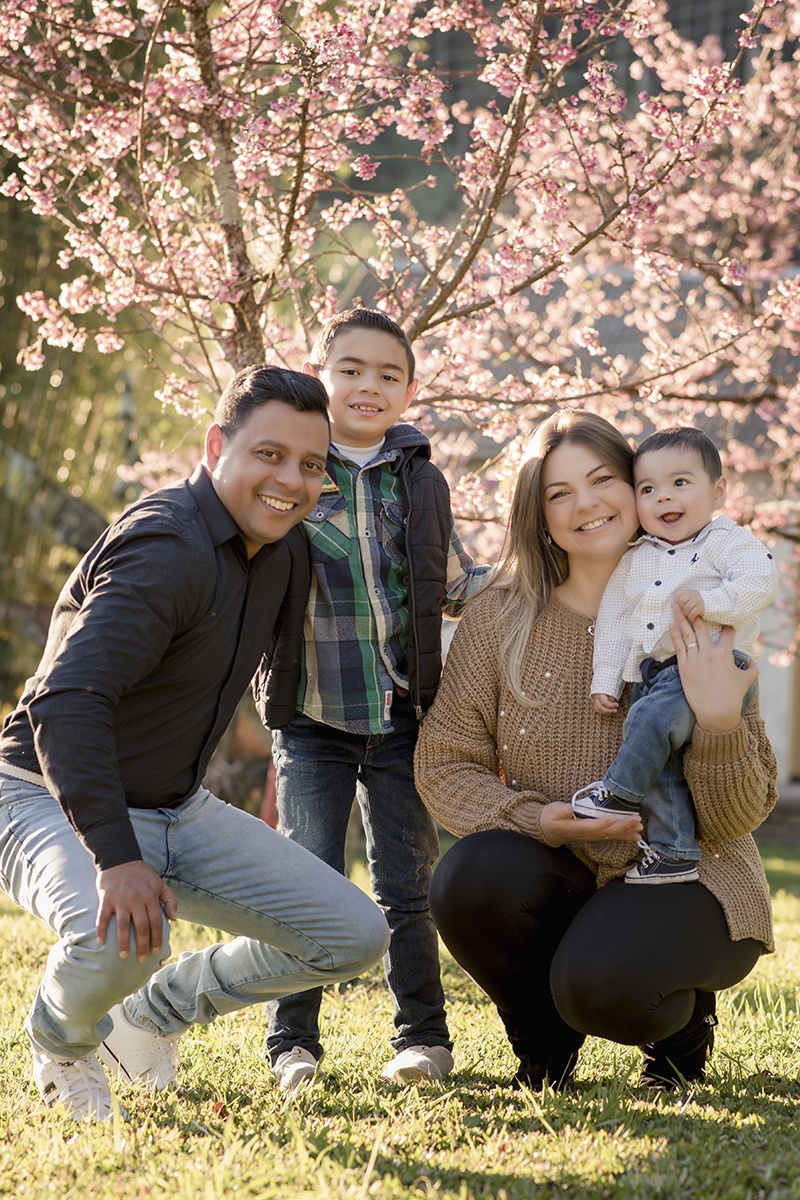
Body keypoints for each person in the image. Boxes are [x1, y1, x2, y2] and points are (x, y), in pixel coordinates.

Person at [0, 365, 390, 1122]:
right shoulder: (165, 549)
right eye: (269, 454)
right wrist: (118, 859)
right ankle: (63, 1043)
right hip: (43, 795)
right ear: (216, 447)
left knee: (352, 935)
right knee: (122, 937)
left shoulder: (282, 550)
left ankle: (148, 1015)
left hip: (178, 807)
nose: (292, 481)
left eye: (312, 464)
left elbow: (275, 675)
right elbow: (66, 701)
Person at [415, 409, 777, 1090]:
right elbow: (444, 763)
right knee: (467, 877)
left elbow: (737, 818)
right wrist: (539, 820)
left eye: (603, 480)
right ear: (538, 512)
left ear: (638, 487)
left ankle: (682, 1030)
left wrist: (720, 724)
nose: (585, 504)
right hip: (561, 868)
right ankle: (543, 1051)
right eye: (560, 492)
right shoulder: (499, 617)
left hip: (691, 876)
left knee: (601, 989)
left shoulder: (704, 616)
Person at [261, 309, 491, 1092]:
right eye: (351, 369)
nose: (369, 385)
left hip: (401, 718)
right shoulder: (295, 470)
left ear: (409, 390)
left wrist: (540, 576)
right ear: (321, 377)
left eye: (388, 374)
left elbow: (454, 584)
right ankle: (292, 1043)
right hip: (313, 717)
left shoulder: (420, 481)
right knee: (308, 882)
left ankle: (423, 1038)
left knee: (407, 887)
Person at [572, 426, 778, 883]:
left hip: (714, 668)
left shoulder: (727, 541)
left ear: (718, 491)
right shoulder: (636, 558)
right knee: (662, 767)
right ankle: (673, 853)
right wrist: (606, 678)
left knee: (648, 722)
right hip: (656, 675)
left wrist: (711, 603)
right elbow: (614, 620)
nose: (663, 497)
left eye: (680, 483)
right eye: (648, 489)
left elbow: (759, 581)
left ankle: (617, 793)